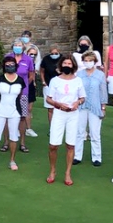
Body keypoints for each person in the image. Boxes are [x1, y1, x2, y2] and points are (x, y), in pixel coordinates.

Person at [46, 56, 85, 186]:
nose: (67, 65)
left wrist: (77, 102)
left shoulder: (78, 80)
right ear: (61, 65)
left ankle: (68, 173)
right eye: (65, 63)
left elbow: (82, 97)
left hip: (73, 115)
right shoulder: (55, 80)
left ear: (73, 65)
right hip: (59, 113)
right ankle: (52, 171)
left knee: (70, 145)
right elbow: (49, 99)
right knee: (53, 145)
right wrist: (58, 104)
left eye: (69, 63)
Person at [0, 56, 27, 171]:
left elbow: (20, 95)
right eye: (7, 65)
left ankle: (12, 161)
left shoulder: (20, 80)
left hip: (15, 112)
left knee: (13, 136)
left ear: (15, 65)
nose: (10, 66)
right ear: (4, 66)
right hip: (0, 111)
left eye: (12, 64)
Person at [0, 38, 35, 152]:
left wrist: (23, 86)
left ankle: (22, 143)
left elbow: (31, 75)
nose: (18, 47)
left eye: (20, 45)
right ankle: (6, 142)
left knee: (22, 117)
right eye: (15, 45)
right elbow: (4, 73)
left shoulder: (28, 59)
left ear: (23, 47)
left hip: (22, 93)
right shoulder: (8, 58)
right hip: (8, 92)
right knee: (6, 117)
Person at [74, 51, 107, 167]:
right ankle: (77, 156)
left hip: (95, 107)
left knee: (95, 133)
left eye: (90, 60)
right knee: (79, 132)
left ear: (94, 61)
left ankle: (97, 157)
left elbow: (103, 91)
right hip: (81, 106)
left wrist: (103, 107)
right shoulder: (79, 74)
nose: (88, 63)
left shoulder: (100, 75)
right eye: (86, 61)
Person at [39, 46, 63, 125]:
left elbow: (68, 72)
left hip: (60, 85)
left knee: (60, 107)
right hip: (48, 85)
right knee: (50, 108)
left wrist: (60, 72)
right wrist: (43, 81)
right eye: (52, 53)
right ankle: (51, 127)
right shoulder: (46, 59)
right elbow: (42, 71)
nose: (54, 55)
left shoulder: (63, 59)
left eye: (56, 53)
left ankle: (59, 125)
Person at [24, 45, 41, 137]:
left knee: (29, 108)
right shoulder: (23, 61)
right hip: (22, 85)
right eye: (31, 54)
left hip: (30, 86)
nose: (33, 56)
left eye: (35, 54)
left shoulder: (34, 63)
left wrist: (33, 81)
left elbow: (33, 74)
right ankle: (19, 128)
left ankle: (28, 129)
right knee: (21, 108)